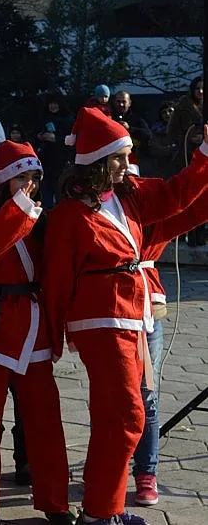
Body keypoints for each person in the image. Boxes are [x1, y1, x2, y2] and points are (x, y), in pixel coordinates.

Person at [43, 107, 208, 525]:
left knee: (115, 417)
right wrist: (52, 338)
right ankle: (102, 512)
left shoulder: (125, 198)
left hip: (132, 318)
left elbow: (177, 195)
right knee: (128, 416)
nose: (126, 163)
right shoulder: (69, 215)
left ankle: (104, 510)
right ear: (97, 160)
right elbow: (57, 280)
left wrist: (204, 155)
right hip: (100, 323)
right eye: (118, 157)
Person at [0, 141, 72, 525]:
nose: (29, 186)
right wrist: (18, 211)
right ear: (4, 180)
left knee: (45, 421)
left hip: (34, 328)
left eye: (34, 178)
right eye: (21, 177)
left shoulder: (40, 216)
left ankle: (56, 501)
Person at [130, 186, 208, 506]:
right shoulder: (92, 211)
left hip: (147, 313)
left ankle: (146, 472)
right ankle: (107, 465)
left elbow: (193, 208)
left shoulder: (154, 222)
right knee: (109, 395)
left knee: (147, 394)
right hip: (106, 315)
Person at [35, 95, 74, 209]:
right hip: (45, 161)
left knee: (61, 193)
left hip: (62, 161)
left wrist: (56, 139)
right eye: (50, 104)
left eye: (55, 104)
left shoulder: (68, 119)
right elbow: (35, 134)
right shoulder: (44, 117)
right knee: (46, 194)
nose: (53, 106)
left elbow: (73, 140)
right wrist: (40, 136)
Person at [168, 76, 203, 174]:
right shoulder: (183, 105)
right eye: (197, 88)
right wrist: (188, 139)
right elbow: (172, 130)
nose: (200, 91)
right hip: (187, 153)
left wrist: (204, 137)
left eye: (203, 88)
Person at [112, 91, 151, 160]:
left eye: (124, 102)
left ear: (129, 103)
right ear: (114, 102)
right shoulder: (109, 118)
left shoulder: (137, 118)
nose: (121, 104)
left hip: (133, 157)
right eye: (118, 101)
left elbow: (148, 134)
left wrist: (130, 129)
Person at [144, 101, 175, 178]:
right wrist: (172, 149)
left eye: (170, 111)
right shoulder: (156, 130)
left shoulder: (183, 128)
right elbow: (154, 149)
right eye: (164, 112)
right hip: (162, 168)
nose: (167, 114)